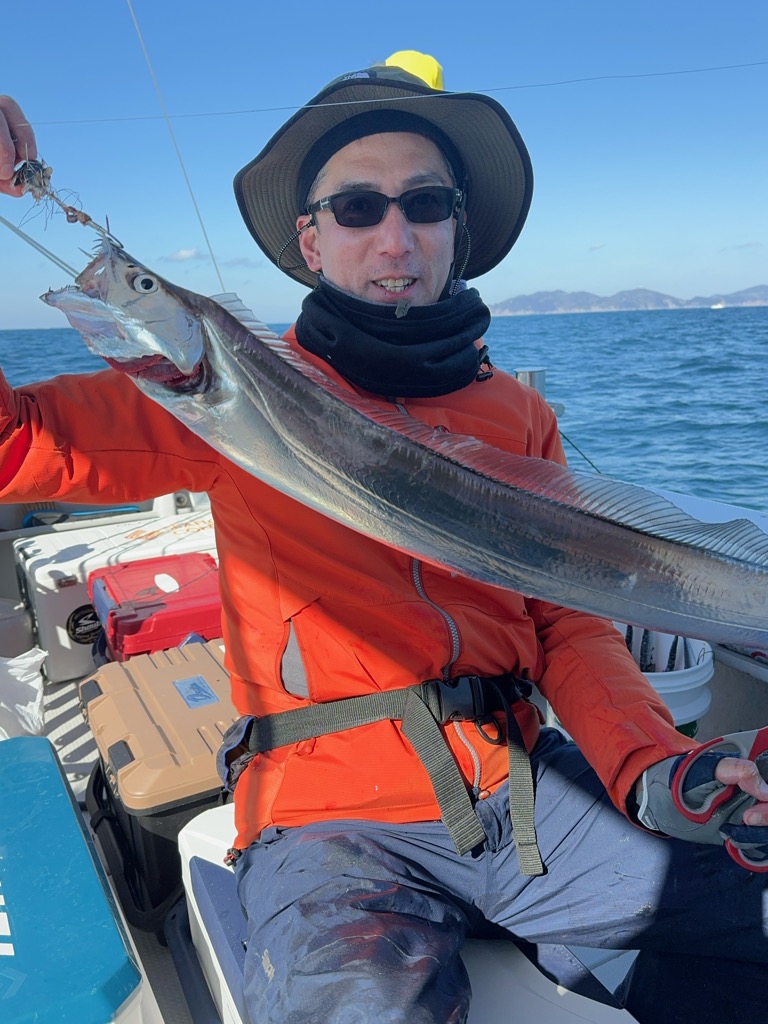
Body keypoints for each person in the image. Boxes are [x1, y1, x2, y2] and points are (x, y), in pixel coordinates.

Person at [2, 54, 768, 1024]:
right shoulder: (222, 398)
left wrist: (653, 768)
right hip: (330, 822)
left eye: (426, 203)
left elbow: (566, 623)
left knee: (743, 921)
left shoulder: (518, 415)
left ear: (458, 229)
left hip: (525, 791)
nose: (395, 236)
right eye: (358, 208)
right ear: (312, 240)